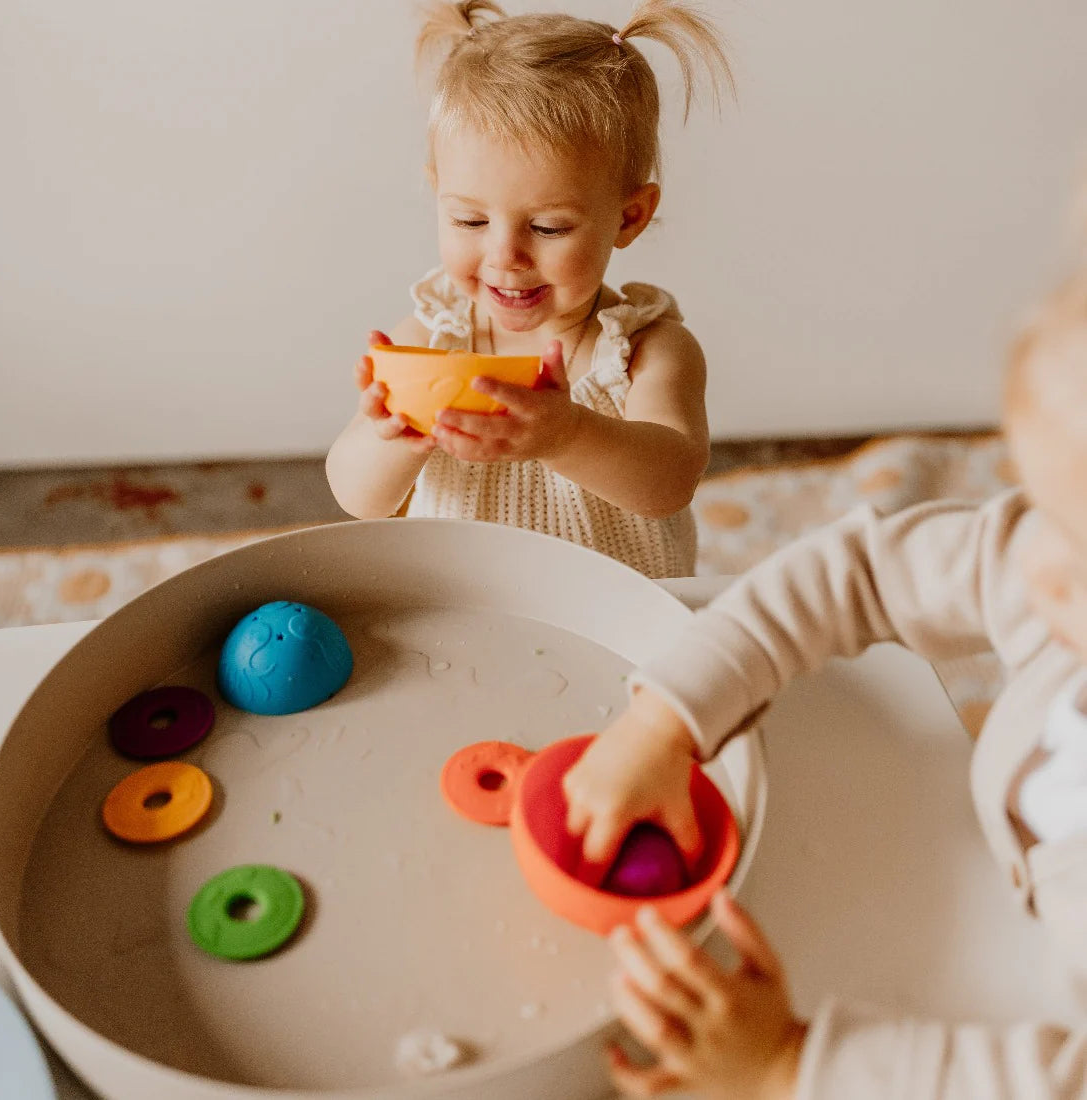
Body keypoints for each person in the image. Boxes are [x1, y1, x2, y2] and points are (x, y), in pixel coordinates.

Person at [562, 237, 1087, 1095]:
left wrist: (793, 1064)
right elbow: (863, 574)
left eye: (1076, 547)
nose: (1033, 559)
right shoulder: (1048, 572)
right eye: (1040, 500)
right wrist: (668, 716)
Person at [326, 0, 734, 579]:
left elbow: (670, 483)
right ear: (437, 194)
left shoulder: (648, 352)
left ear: (628, 217)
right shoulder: (431, 340)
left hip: (619, 624)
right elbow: (355, 497)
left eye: (548, 227)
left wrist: (565, 434)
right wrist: (392, 434)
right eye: (470, 221)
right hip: (464, 611)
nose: (504, 257)